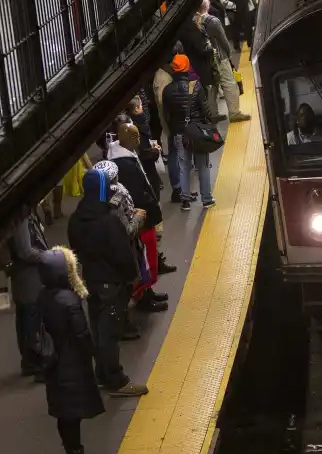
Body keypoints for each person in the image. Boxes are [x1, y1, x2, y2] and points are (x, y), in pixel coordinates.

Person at [67, 168, 149, 397]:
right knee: (110, 332)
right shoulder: (109, 219)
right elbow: (122, 253)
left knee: (98, 329)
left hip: (92, 281)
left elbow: (75, 249)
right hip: (114, 283)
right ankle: (116, 380)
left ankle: (101, 374)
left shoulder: (76, 218)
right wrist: (131, 277)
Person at [37, 247, 104, 454]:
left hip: (54, 364)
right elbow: (81, 333)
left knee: (64, 414)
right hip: (72, 363)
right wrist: (93, 354)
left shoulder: (42, 296)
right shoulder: (69, 300)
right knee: (73, 414)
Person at [109, 122, 171, 310]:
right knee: (143, 257)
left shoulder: (125, 157)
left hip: (142, 217)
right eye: (135, 136)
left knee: (148, 256)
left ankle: (147, 291)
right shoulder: (124, 164)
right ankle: (142, 296)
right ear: (126, 138)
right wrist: (150, 206)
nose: (138, 140)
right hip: (139, 218)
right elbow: (136, 192)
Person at [163, 54, 217, 211]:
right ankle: (206, 199)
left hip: (179, 133)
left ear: (173, 69)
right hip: (197, 132)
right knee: (203, 166)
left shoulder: (167, 91)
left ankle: (185, 201)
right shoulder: (197, 86)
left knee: (184, 166)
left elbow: (167, 115)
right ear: (187, 67)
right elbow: (206, 111)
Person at [9, 209, 49, 381]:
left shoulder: (24, 215)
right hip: (28, 278)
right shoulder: (20, 219)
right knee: (32, 319)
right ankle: (35, 360)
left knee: (25, 318)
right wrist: (47, 256)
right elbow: (25, 251)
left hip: (24, 278)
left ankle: (29, 360)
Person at [198, 0, 250, 123]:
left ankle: (213, 113)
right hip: (220, 56)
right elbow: (223, 40)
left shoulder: (196, 22)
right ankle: (234, 112)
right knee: (229, 84)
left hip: (205, 58)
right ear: (207, 6)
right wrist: (228, 53)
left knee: (213, 86)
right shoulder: (213, 21)